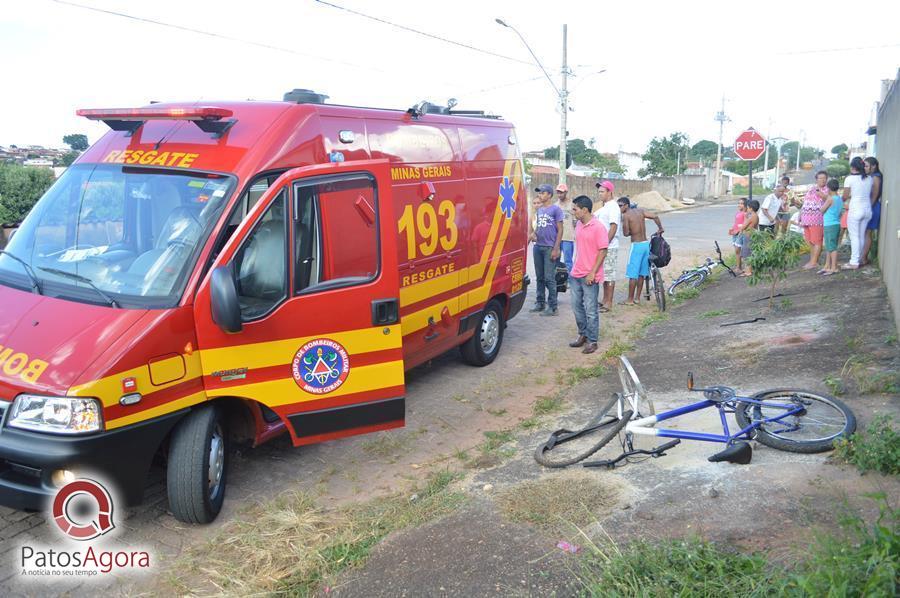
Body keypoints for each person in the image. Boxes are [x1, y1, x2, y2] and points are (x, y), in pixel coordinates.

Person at [568, 195, 608, 354]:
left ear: (584, 210)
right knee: (576, 307)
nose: (573, 212)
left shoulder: (598, 227)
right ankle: (582, 334)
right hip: (576, 274)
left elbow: (603, 251)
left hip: (590, 276)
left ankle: (592, 340)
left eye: (575, 209)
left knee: (590, 309)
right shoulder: (578, 224)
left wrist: (592, 272)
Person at [617, 197, 663, 305]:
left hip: (636, 245)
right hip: (645, 245)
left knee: (633, 274)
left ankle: (629, 300)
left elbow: (626, 233)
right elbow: (655, 216)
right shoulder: (641, 211)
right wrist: (660, 228)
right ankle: (637, 298)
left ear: (626, 205)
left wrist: (630, 229)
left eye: (620, 205)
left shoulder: (626, 216)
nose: (619, 208)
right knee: (642, 273)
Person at [529, 183, 564, 314]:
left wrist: (556, 248)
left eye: (542, 193)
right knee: (539, 277)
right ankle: (540, 303)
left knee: (549, 278)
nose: (540, 195)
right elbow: (538, 227)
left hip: (550, 247)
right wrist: (532, 236)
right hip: (538, 246)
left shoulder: (556, 210)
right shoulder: (540, 210)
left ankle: (553, 306)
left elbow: (560, 230)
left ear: (549, 195)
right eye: (539, 193)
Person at [592, 180, 621, 313]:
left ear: (610, 192)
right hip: (602, 246)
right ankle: (604, 300)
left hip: (609, 246)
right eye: (599, 191)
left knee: (609, 275)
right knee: (604, 275)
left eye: (602, 191)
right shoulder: (604, 208)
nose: (600, 194)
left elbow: (613, 227)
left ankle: (608, 302)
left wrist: (605, 244)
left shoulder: (613, 207)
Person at [841, 157, 873, 270]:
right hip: (867, 209)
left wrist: (840, 201)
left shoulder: (849, 179)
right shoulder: (869, 178)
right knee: (861, 235)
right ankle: (858, 259)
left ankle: (854, 262)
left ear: (853, 167)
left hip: (855, 209)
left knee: (854, 236)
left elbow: (845, 196)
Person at [799, 172, 828, 270]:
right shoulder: (811, 188)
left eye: (824, 178)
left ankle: (814, 262)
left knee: (817, 241)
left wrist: (820, 193)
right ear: (816, 179)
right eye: (820, 178)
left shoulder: (827, 189)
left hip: (817, 218)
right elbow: (805, 202)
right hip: (806, 218)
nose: (823, 180)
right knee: (810, 241)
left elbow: (828, 199)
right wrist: (800, 214)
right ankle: (812, 260)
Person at [862, 157, 883, 266]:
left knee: (868, 232)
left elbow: (874, 195)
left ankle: (864, 257)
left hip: (873, 207)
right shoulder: (872, 177)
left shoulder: (875, 177)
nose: (864, 168)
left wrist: (868, 208)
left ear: (873, 166)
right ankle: (864, 256)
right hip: (871, 206)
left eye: (866, 166)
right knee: (866, 232)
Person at [819, 178, 843, 276]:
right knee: (830, 246)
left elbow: (822, 210)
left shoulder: (830, 199)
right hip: (836, 223)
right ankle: (827, 266)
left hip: (830, 224)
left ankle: (834, 267)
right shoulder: (839, 198)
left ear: (828, 188)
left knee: (832, 247)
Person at [736, 199, 760, 277]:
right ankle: (748, 269)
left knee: (746, 254)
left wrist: (746, 217)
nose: (747, 209)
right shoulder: (756, 216)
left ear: (751, 208)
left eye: (748, 208)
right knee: (749, 253)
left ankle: (748, 272)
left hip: (748, 236)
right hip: (752, 235)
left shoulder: (751, 216)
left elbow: (743, 226)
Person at [556, 183, 576, 272]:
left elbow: (576, 221)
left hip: (568, 237)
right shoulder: (556, 205)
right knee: (556, 259)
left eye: (561, 192)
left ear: (566, 192)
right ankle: (557, 279)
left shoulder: (572, 205)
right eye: (558, 192)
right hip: (557, 237)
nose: (560, 195)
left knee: (568, 260)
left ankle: (569, 280)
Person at [729, 198, 748, 273]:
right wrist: (732, 229)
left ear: (745, 205)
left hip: (740, 233)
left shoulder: (745, 214)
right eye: (739, 203)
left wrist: (738, 231)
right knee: (737, 252)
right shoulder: (738, 212)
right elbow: (736, 222)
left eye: (741, 203)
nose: (739, 205)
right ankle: (738, 267)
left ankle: (740, 267)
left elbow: (745, 224)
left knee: (739, 251)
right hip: (735, 233)